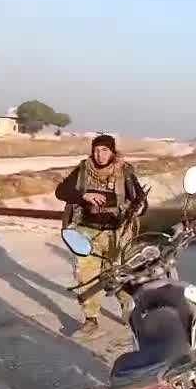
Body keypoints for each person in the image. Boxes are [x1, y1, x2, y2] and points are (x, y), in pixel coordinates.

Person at [55, 134, 148, 339]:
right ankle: (90, 320)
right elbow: (61, 192)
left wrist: (138, 209)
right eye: (96, 150)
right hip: (86, 232)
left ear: (112, 151)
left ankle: (129, 307)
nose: (100, 154)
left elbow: (140, 199)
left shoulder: (125, 172)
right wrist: (83, 195)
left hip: (116, 233)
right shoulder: (82, 170)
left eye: (105, 150)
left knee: (116, 274)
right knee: (85, 276)